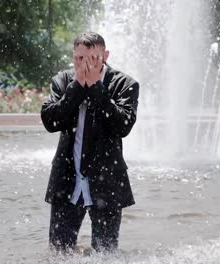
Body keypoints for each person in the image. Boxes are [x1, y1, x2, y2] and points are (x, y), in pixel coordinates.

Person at [41, 32, 139, 253]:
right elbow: (50, 121)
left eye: (92, 58)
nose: (84, 64)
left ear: (105, 55)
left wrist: (96, 88)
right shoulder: (62, 81)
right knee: (59, 254)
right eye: (78, 58)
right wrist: (76, 88)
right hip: (66, 183)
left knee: (105, 255)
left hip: (107, 185)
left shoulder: (125, 84)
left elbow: (122, 126)